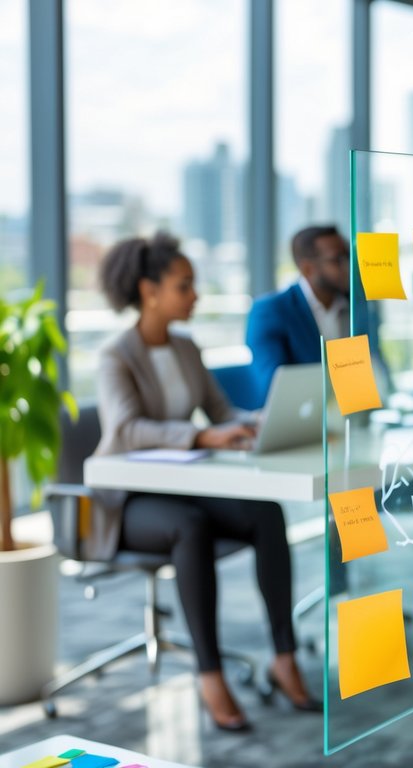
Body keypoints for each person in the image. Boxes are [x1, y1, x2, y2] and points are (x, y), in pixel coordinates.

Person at [92, 233, 317, 731]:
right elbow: (126, 429)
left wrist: (258, 420)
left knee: (265, 512)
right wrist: (202, 435)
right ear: (149, 291)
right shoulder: (115, 355)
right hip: (128, 500)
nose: (195, 296)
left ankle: (285, 656)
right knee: (189, 526)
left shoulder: (187, 347)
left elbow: (220, 411)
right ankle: (209, 673)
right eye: (184, 286)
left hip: (180, 485)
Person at [246, 225, 352, 396]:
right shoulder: (270, 311)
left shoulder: (357, 307)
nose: (348, 266)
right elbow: (275, 389)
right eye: (337, 260)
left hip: (355, 416)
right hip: (301, 419)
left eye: (348, 257)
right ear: (308, 268)